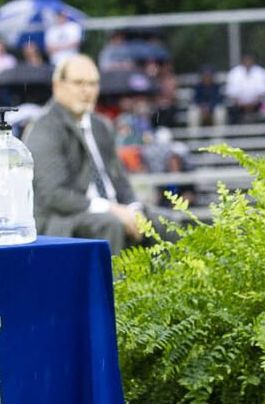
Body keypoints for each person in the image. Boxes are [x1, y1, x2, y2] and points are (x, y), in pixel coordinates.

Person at [23, 54, 181, 255]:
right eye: (79, 83)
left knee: (165, 222)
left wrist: (134, 209)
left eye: (92, 84)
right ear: (58, 86)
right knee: (111, 224)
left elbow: (121, 182)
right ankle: (113, 277)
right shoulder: (44, 127)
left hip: (112, 211)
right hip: (64, 221)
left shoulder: (101, 125)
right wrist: (112, 209)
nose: (87, 90)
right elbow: (54, 195)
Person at [223, 52, 265, 124]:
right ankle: (236, 131)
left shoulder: (260, 72)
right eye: (246, 60)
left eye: (249, 60)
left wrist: (252, 104)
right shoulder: (234, 73)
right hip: (238, 106)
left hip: (256, 105)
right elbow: (232, 95)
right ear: (242, 61)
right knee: (232, 111)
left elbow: (262, 93)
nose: (248, 62)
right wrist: (242, 105)